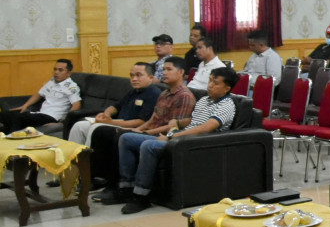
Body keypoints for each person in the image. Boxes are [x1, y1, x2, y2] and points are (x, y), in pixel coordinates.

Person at [114, 65, 239, 213]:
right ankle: (126, 187)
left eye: (216, 83)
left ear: (227, 88)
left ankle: (141, 196)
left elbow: (206, 128)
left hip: (195, 144)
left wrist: (173, 136)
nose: (210, 85)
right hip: (182, 138)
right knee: (126, 138)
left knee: (149, 146)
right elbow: (194, 120)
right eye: (210, 80)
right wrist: (178, 123)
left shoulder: (226, 105)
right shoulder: (205, 100)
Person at [95, 57, 204, 204]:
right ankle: (122, 185)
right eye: (164, 69)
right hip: (152, 130)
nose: (164, 73)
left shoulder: (184, 96)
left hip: (164, 136)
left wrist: (146, 133)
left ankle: (127, 190)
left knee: (120, 136)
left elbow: (174, 126)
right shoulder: (164, 93)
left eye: (169, 69)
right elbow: (152, 119)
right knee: (115, 134)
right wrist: (136, 129)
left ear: (181, 73)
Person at [68, 62, 160, 187]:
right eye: (132, 75)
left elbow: (141, 122)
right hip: (116, 122)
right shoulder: (133, 92)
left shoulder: (153, 93)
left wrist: (109, 122)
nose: (134, 79)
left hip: (129, 127)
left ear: (151, 77)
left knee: (97, 128)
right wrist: (106, 113)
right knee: (79, 126)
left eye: (139, 75)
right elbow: (115, 106)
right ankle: (72, 172)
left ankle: (89, 175)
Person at [1, 58, 81, 133]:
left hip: (51, 117)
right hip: (39, 114)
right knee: (5, 114)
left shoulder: (71, 87)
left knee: (17, 118)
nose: (56, 72)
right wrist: (25, 105)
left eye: (60, 70)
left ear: (69, 73)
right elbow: (39, 94)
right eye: (55, 69)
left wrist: (64, 121)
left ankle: (12, 140)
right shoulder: (52, 82)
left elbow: (77, 104)